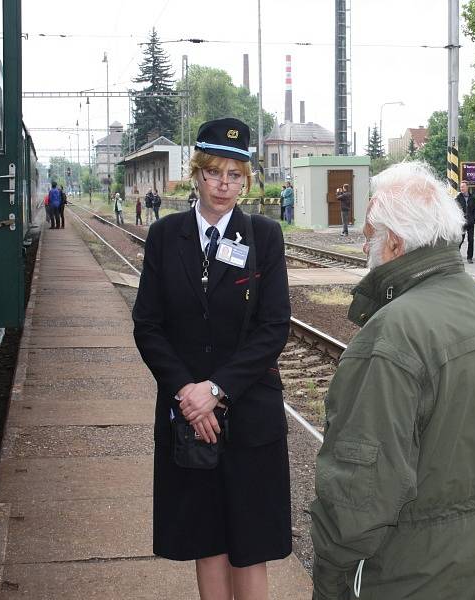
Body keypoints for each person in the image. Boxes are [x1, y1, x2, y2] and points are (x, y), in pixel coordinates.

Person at [310, 161, 475, 600]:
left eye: (370, 235)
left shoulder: (392, 334)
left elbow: (357, 501)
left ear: (395, 245)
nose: (364, 245)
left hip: (409, 575)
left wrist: (330, 586)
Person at [133, 117, 292, 600]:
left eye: (236, 175)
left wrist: (216, 391)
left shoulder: (264, 238)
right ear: (197, 174)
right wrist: (188, 393)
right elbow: (149, 325)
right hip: (187, 417)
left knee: (249, 544)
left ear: (246, 180)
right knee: (207, 541)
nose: (224, 186)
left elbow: (273, 328)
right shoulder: (165, 237)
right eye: (214, 173)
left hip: (248, 414)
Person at [456, 180, 475, 263]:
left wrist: (472, 219)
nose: (461, 188)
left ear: (467, 187)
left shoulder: (472, 198)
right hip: (461, 223)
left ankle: (469, 258)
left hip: (470, 223)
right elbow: (454, 211)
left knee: (471, 240)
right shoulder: (457, 199)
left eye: (463, 187)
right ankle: (457, 257)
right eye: (461, 187)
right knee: (460, 240)